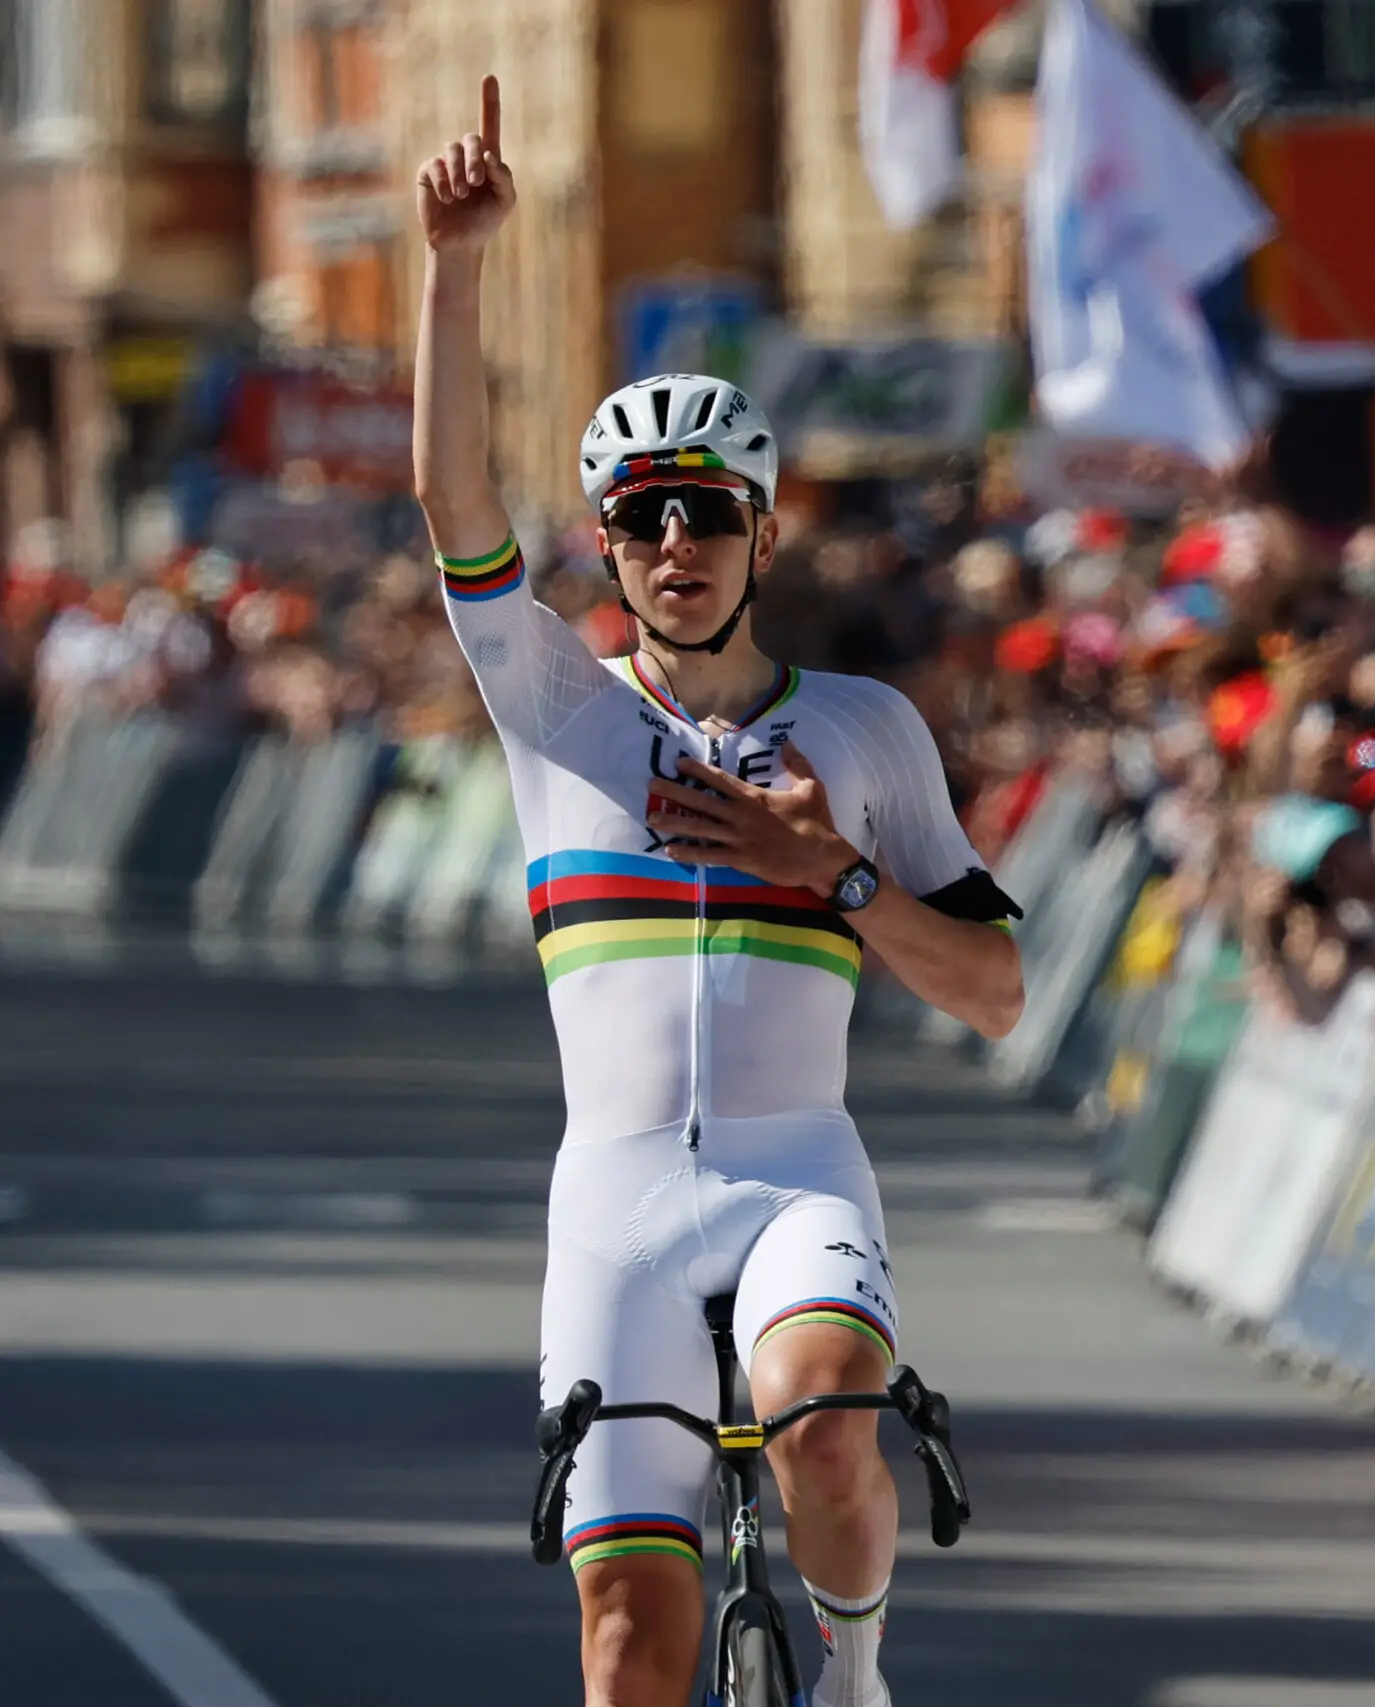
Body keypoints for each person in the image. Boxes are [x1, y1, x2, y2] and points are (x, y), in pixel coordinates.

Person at [411, 79, 1022, 1707]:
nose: (675, 541)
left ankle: (855, 1671)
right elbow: (454, 508)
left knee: (824, 1422)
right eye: (641, 518)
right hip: (611, 1201)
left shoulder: (864, 730)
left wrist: (835, 872)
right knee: (630, 1639)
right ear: (609, 548)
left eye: (707, 514)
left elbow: (993, 992)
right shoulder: (557, 709)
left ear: (761, 534)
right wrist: (456, 265)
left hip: (793, 1171)